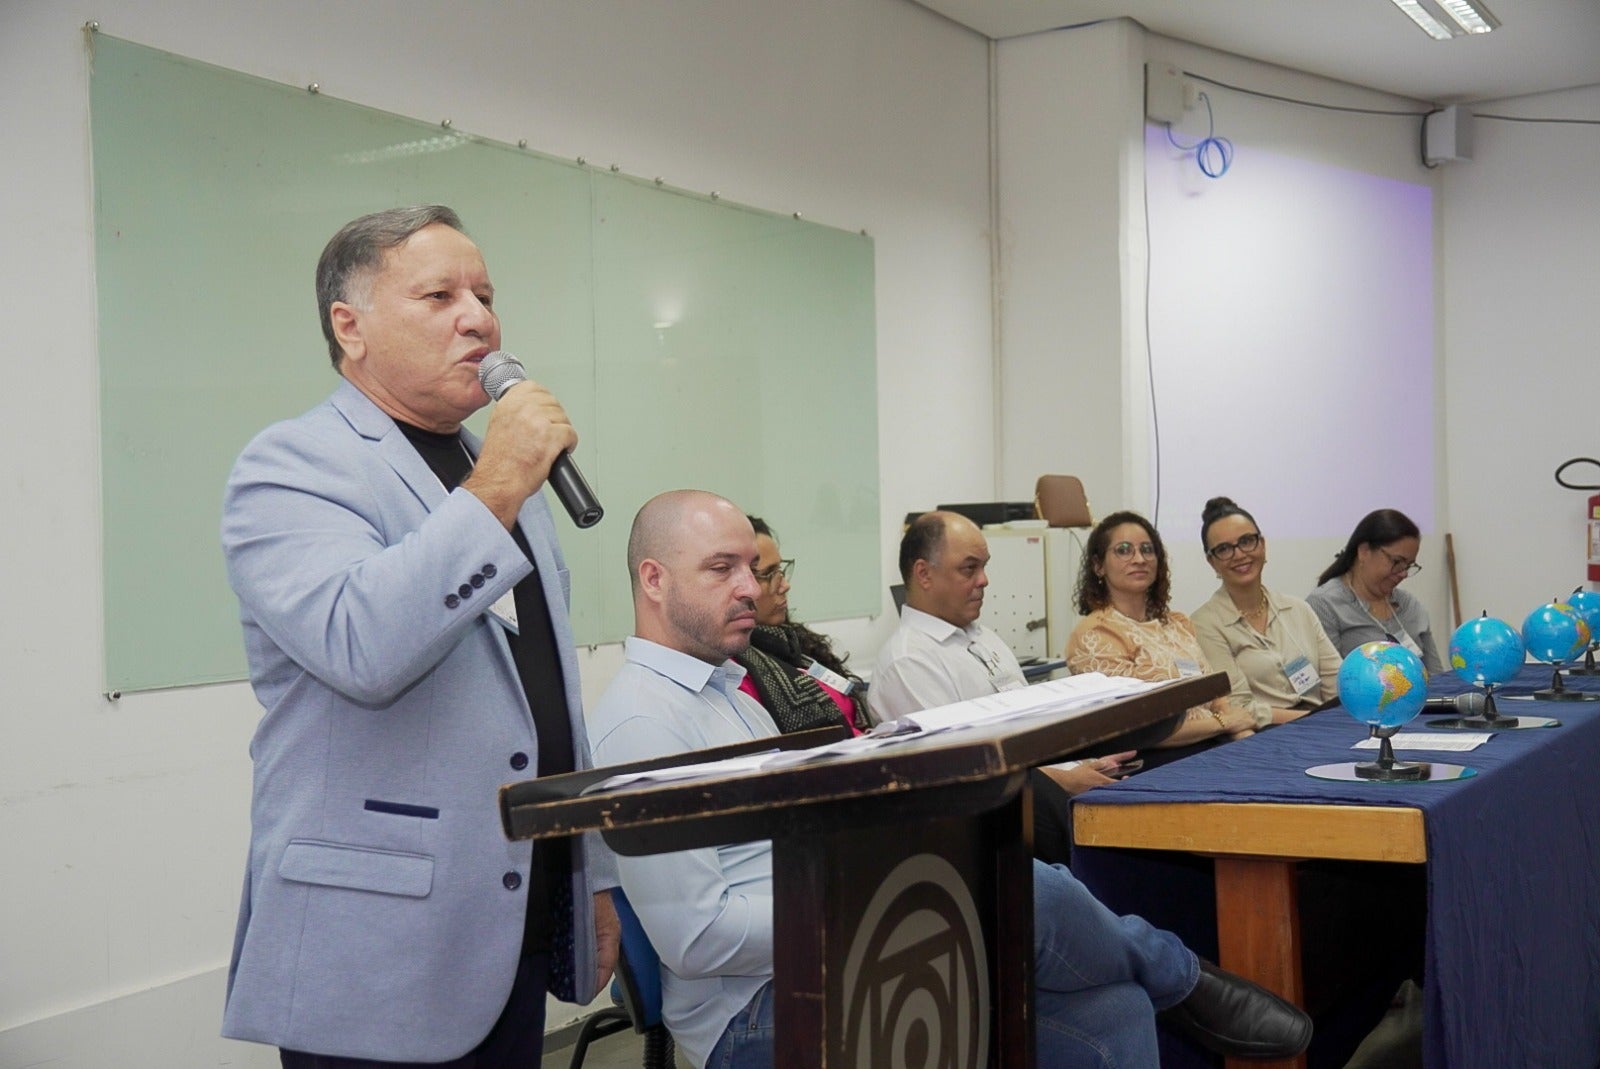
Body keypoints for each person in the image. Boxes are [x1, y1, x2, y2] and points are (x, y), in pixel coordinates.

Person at [589, 491, 1312, 1069]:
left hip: (825, 953)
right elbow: (698, 939)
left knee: (1114, 1011)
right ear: (654, 580)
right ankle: (1183, 979)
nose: (752, 588)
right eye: (723, 569)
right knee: (1027, 885)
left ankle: (1171, 980)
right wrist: (874, 899)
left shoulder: (728, 693)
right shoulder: (642, 721)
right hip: (756, 1009)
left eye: (754, 567)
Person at [219, 206, 618, 1066]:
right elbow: (360, 644)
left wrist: (595, 870)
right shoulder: (292, 464)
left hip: (510, 919)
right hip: (378, 947)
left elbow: (545, 686)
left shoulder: (497, 476)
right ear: (350, 326)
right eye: (440, 296)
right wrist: (501, 480)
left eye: (485, 295)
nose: (479, 319)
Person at [872, 510, 1135, 796]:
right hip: (1009, 809)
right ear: (924, 574)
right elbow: (961, 771)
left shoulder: (983, 636)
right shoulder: (909, 662)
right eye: (969, 569)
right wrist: (1065, 779)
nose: (984, 580)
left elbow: (1030, 729)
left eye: (984, 567)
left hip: (1045, 785)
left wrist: (1080, 763)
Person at [1066, 510, 1259, 744]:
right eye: (1124, 550)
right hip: (1162, 757)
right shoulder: (1095, 635)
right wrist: (1225, 724)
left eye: (1147, 550)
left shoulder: (1177, 624)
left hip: (1215, 741)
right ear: (1098, 566)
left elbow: (1215, 696)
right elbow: (1135, 730)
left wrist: (1241, 733)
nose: (1139, 559)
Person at [1190, 497, 1342, 726]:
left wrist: (1339, 722)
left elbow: (1337, 683)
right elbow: (1237, 707)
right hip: (1265, 733)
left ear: (1262, 545)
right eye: (1224, 549)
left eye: (1246, 541)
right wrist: (1314, 721)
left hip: (1324, 724)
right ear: (1212, 562)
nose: (1239, 554)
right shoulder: (1204, 624)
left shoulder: (1298, 609)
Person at [733, 516, 869, 734]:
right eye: (768, 574)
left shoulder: (792, 643)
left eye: (781, 570)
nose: (785, 585)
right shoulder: (737, 671)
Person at [1306, 508, 1443, 674]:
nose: (1404, 573)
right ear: (1364, 551)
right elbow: (1330, 681)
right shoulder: (1325, 605)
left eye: (1408, 565)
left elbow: (1437, 675)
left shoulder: (1409, 605)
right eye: (1397, 562)